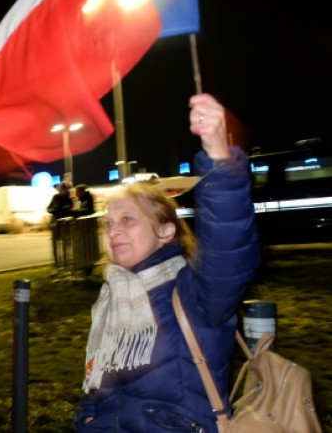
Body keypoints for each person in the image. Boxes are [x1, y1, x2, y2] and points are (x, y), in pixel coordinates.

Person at [73, 94, 260, 432]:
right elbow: (100, 381)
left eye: (128, 219)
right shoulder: (113, 296)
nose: (114, 231)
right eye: (109, 223)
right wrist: (87, 417)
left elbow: (227, 249)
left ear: (165, 231)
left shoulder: (192, 293)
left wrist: (219, 160)